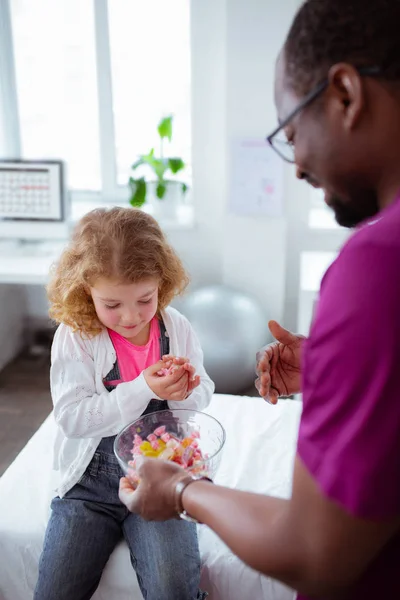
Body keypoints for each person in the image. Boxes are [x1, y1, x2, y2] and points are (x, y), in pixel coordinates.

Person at [118, 1, 400, 598]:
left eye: (292, 132)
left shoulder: (378, 264)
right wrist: (332, 369)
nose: (295, 165)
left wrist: (182, 491)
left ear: (346, 95)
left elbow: (314, 552)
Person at [34, 207, 214, 600]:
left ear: (161, 285)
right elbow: (71, 418)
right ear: (86, 291)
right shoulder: (76, 336)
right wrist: (143, 387)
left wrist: (184, 392)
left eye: (145, 300)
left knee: (173, 591)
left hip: (160, 478)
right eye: (112, 304)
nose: (131, 317)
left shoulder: (176, 327)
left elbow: (202, 394)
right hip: (89, 487)